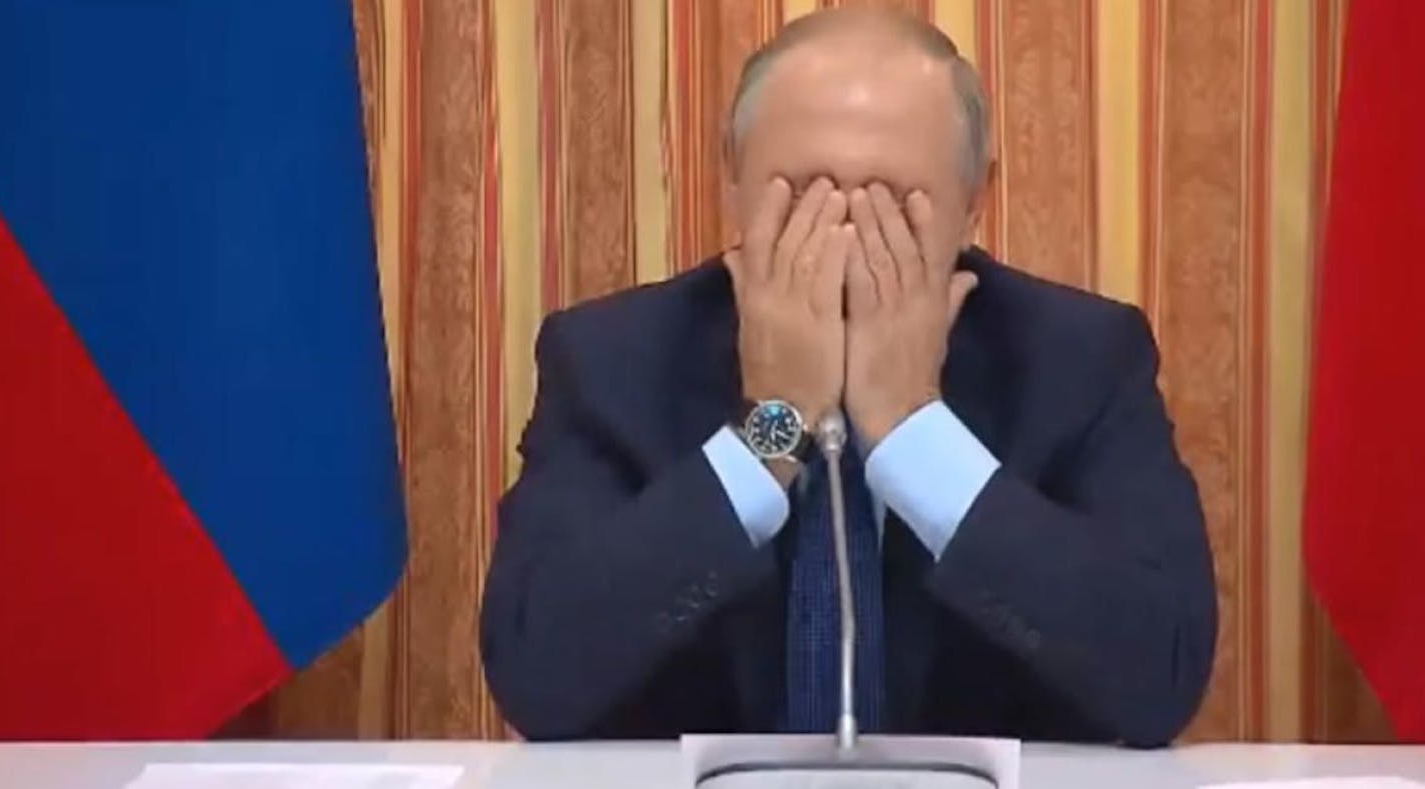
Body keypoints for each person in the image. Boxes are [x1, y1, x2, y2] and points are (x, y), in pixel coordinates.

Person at [480, 7, 1216, 747]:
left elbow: (1161, 677)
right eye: (804, 197)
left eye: (893, 206)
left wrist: (914, 433)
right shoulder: (613, 359)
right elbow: (534, 673)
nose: (844, 239)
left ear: (974, 202)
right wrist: (771, 428)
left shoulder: (1079, 360)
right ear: (731, 179)